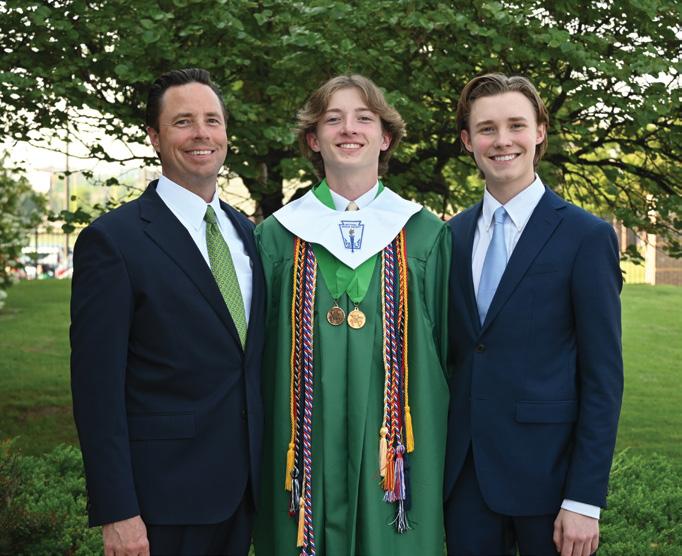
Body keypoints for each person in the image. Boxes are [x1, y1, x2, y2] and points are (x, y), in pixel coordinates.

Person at [253, 74, 450, 555]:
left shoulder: (426, 236)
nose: (349, 129)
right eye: (333, 119)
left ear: (385, 138)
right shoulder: (277, 236)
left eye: (364, 118)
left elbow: (452, 353)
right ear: (312, 139)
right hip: (303, 457)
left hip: (399, 466)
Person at [70, 68, 264, 556]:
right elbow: (96, 391)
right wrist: (117, 511)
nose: (202, 134)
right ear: (155, 137)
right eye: (183, 122)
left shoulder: (246, 233)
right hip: (162, 502)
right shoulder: (113, 242)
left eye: (212, 120)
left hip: (245, 496)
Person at [444, 73, 623, 556]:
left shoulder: (586, 237)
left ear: (540, 132)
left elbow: (603, 378)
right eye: (487, 129)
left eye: (516, 125)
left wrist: (584, 499)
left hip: (550, 480)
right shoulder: (451, 238)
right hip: (465, 480)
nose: (502, 140)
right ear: (468, 141)